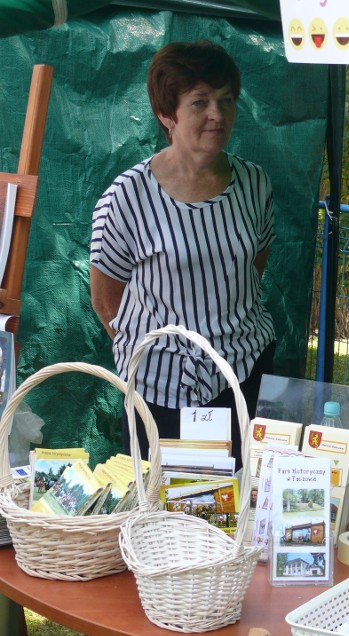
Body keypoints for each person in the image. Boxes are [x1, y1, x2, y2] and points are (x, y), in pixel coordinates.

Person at [90, 41, 276, 467]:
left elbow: (252, 266)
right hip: (159, 390)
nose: (218, 114)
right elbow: (106, 303)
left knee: (237, 507)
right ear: (166, 115)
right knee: (161, 513)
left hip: (242, 374)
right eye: (200, 102)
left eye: (226, 100)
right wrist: (158, 353)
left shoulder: (255, 184)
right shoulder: (127, 197)